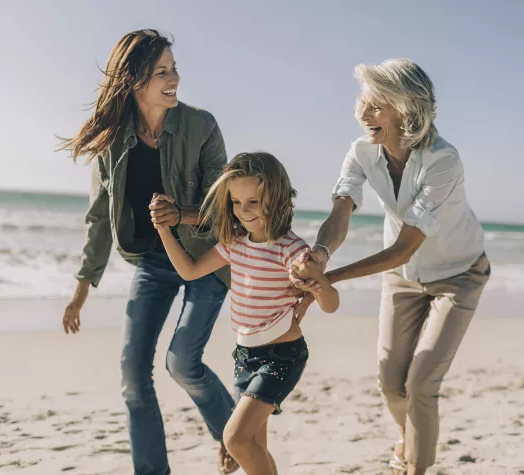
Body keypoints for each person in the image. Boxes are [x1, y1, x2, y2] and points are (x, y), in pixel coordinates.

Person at [290, 58, 491, 475]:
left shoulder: (443, 160)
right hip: (403, 279)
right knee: (389, 383)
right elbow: (342, 210)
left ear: (407, 109)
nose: (364, 115)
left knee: (420, 385)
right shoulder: (362, 151)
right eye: (362, 103)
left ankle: (415, 466)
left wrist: (331, 277)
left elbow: (403, 247)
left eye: (376, 105)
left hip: (459, 275)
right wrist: (321, 254)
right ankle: (409, 437)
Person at [59, 30, 238, 475]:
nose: (175, 77)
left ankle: (234, 435)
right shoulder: (113, 140)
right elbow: (100, 216)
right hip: (153, 262)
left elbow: (227, 207)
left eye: (174, 68)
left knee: (181, 363)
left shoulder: (201, 125)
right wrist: (83, 286)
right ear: (134, 80)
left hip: (204, 259)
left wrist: (182, 214)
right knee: (134, 379)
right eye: (163, 71)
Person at [152, 152, 339, 475]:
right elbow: (190, 270)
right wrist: (163, 229)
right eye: (236, 203)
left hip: (282, 357)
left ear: (277, 198)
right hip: (244, 356)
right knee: (255, 446)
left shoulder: (291, 250)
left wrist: (318, 281)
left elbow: (331, 304)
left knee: (236, 439)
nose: (243, 211)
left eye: (253, 201)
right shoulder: (235, 243)